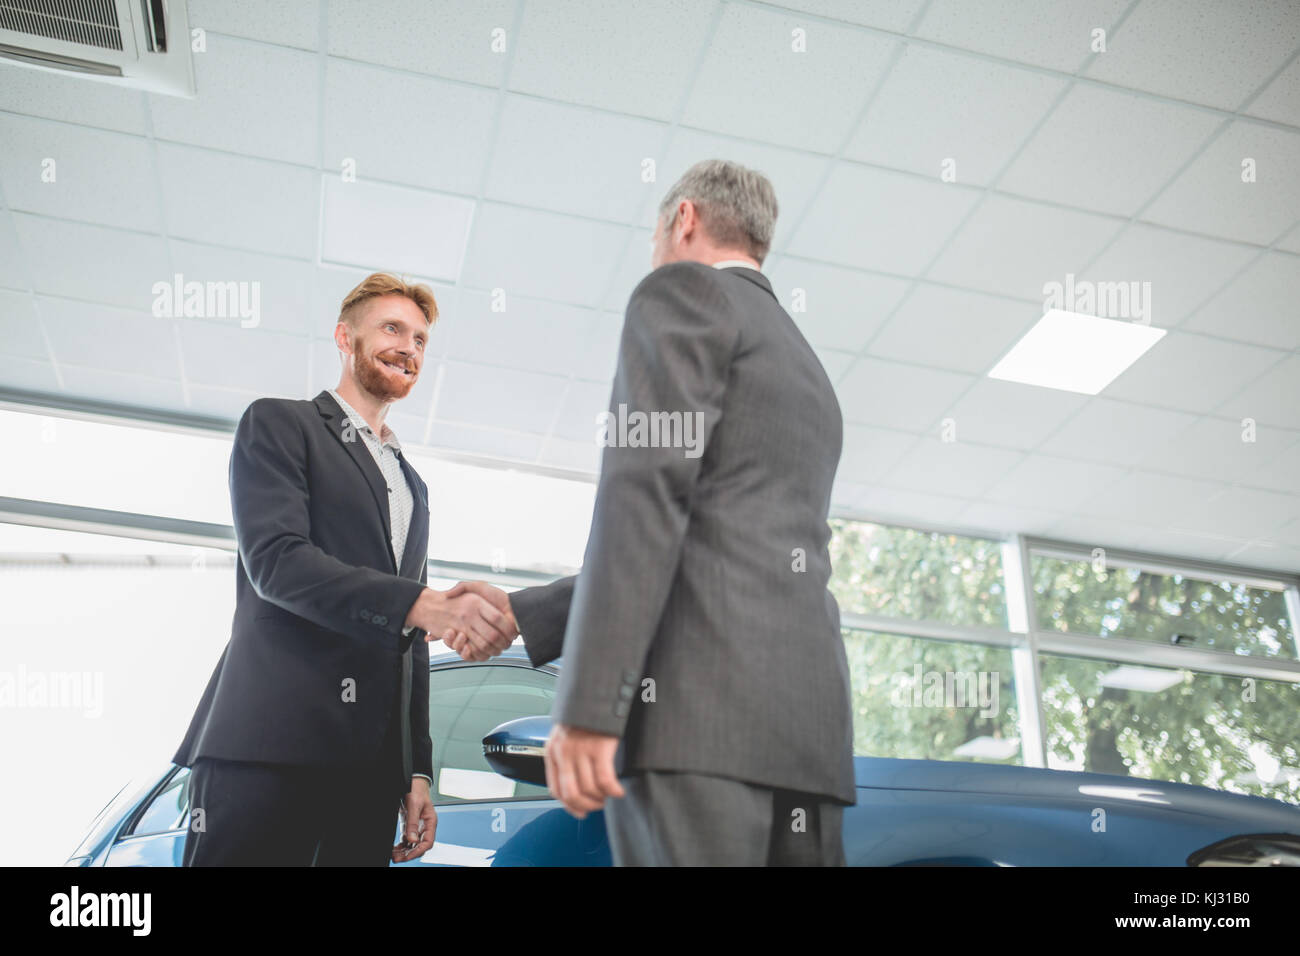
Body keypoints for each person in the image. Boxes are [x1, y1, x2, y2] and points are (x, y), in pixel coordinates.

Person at [440, 159, 855, 865]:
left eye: (656, 235)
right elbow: (708, 541)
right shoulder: (809, 369)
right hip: (808, 740)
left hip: (696, 726)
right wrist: (525, 611)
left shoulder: (684, 293)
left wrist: (588, 709)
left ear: (683, 219)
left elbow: (644, 501)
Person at [173, 273, 515, 866]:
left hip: (367, 777)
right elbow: (277, 563)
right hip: (270, 748)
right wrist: (423, 604)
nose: (408, 347)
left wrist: (415, 770)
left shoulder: (413, 486)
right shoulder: (282, 424)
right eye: (391, 329)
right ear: (343, 337)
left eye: (420, 340)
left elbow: (408, 640)